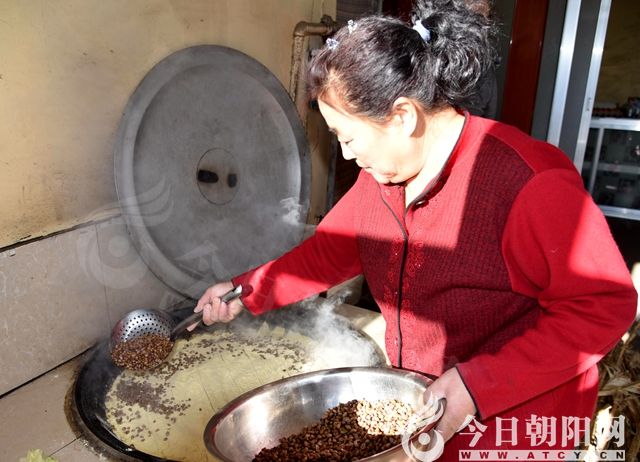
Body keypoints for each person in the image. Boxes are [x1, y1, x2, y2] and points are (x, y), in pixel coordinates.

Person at [193, 0, 637, 458]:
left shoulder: (528, 183)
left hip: (516, 423)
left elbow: (604, 306)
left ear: (403, 116)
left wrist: (478, 384)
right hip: (429, 403)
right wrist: (246, 290)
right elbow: (329, 252)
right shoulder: (383, 179)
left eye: (348, 137)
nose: (346, 155)